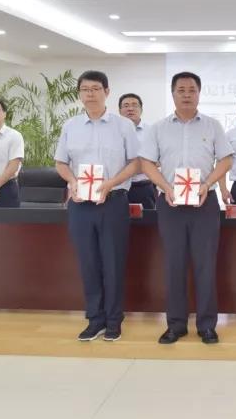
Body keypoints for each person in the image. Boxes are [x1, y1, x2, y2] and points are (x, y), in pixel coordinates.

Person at [140, 72, 233, 345]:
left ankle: (207, 325)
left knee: (205, 265)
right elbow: (146, 163)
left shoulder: (213, 126)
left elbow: (226, 160)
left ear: (199, 94)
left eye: (192, 90)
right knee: (174, 265)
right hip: (170, 203)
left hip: (204, 202)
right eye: (181, 90)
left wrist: (208, 184)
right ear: (173, 94)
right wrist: (165, 187)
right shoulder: (158, 128)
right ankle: (176, 325)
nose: (187, 94)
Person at [54, 70, 140, 342]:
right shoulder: (71, 126)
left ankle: (114, 320)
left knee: (113, 263)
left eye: (95, 89)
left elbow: (136, 163)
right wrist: (72, 182)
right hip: (81, 205)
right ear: (79, 94)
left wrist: (110, 184)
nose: (90, 94)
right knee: (88, 263)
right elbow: (61, 163)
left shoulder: (123, 126)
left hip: (112, 202)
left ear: (107, 92)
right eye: (85, 89)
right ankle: (95, 319)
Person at [118, 92, 157, 209]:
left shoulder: (151, 131)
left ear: (141, 110)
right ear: (119, 111)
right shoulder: (112, 132)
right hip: (118, 188)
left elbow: (158, 159)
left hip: (143, 187)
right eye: (126, 106)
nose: (130, 109)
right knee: (117, 219)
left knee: (146, 219)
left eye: (134, 105)